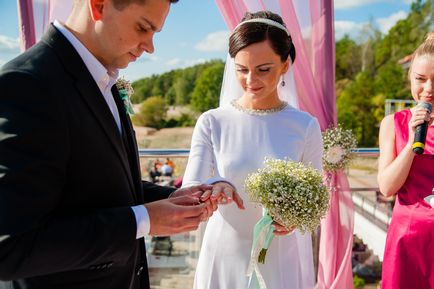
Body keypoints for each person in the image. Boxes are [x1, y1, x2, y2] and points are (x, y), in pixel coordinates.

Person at [0, 0, 233, 288]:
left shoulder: (104, 80)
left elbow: (96, 187)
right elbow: (10, 246)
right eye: (143, 28)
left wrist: (170, 198)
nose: (150, 46)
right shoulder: (27, 84)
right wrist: (144, 220)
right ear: (98, 5)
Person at [182, 11, 323, 289]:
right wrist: (216, 184)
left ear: (284, 65)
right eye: (242, 69)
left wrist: (294, 220)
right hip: (225, 252)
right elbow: (190, 188)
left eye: (263, 69)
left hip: (280, 255)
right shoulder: (212, 122)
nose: (250, 80)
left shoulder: (305, 126)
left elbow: (314, 200)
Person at [378, 34, 434, 289]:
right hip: (408, 240)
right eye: (421, 79)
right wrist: (412, 142)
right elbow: (387, 188)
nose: (429, 88)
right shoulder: (392, 123)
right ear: (410, 78)